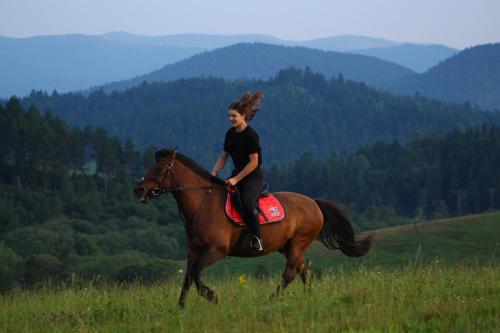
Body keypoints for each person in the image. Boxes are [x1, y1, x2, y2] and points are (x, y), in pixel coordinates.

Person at [210, 91, 265, 251]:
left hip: (252, 177)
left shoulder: (251, 135)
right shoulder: (230, 133)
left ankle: (257, 238)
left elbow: (254, 163)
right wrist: (213, 172)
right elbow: (224, 156)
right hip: (237, 175)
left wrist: (235, 179)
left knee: (247, 204)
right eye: (229, 116)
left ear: (243, 116)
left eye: (234, 116)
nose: (231, 119)